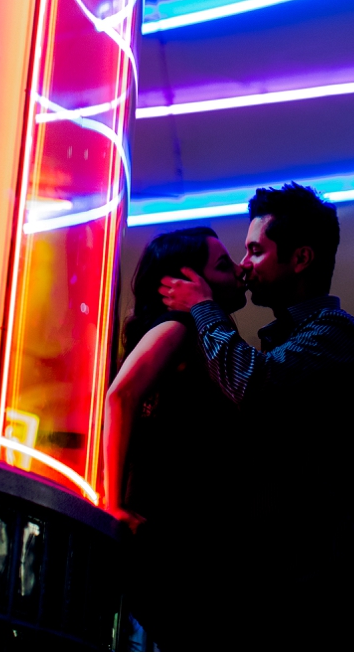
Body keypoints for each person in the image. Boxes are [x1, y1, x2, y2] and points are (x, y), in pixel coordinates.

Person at [160, 182, 354, 653]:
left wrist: (202, 307)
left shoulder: (335, 333)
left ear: (301, 258)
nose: (244, 265)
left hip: (322, 596)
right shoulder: (283, 338)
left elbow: (253, 383)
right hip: (289, 590)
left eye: (255, 251)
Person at [103, 226, 248, 650]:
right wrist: (114, 505)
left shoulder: (197, 337)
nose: (239, 270)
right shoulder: (180, 328)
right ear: (187, 281)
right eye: (223, 265)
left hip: (183, 543)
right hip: (176, 544)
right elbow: (120, 396)